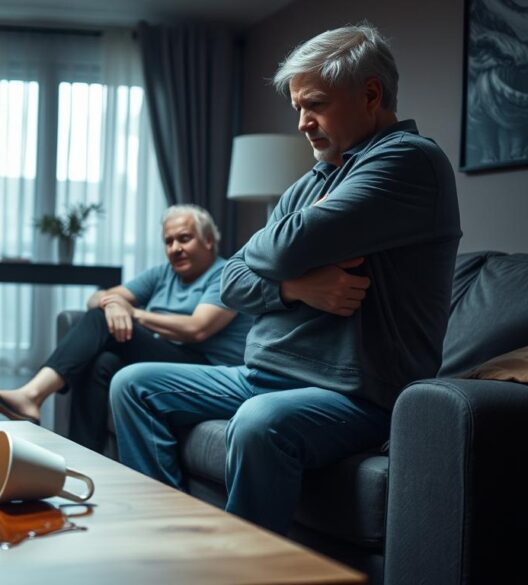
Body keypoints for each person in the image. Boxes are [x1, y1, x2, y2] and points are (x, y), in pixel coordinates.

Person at [110, 23, 461, 535]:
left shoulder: (408, 162)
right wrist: (293, 286)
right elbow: (231, 278)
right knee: (133, 385)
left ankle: (242, 570)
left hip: (355, 394)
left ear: (370, 94)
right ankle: (167, 532)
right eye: (297, 107)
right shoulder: (316, 180)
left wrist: (280, 245)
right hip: (261, 374)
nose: (302, 123)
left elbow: (280, 246)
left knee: (258, 422)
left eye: (314, 104)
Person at [0, 204, 254, 453]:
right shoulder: (163, 273)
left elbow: (197, 328)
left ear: (208, 240)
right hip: (165, 358)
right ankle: (81, 459)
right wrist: (112, 304)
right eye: (168, 242)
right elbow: (97, 296)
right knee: (103, 360)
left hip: (205, 369)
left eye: (184, 239)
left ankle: (32, 395)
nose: (175, 248)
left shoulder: (225, 274)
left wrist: (132, 313)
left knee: (98, 320)